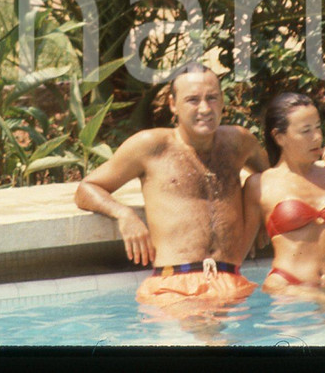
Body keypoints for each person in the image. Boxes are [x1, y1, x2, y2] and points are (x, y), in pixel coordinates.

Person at [74, 62, 269, 315]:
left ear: (222, 101)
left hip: (232, 282)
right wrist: (124, 215)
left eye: (212, 98)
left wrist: (262, 215)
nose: (205, 108)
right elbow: (87, 188)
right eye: (193, 100)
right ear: (172, 104)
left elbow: (274, 178)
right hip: (173, 287)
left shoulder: (239, 142)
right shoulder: (151, 146)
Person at [242, 92, 325, 308]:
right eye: (306, 131)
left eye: (318, 127)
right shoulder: (260, 184)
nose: (317, 137)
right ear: (279, 137)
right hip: (289, 291)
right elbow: (239, 250)